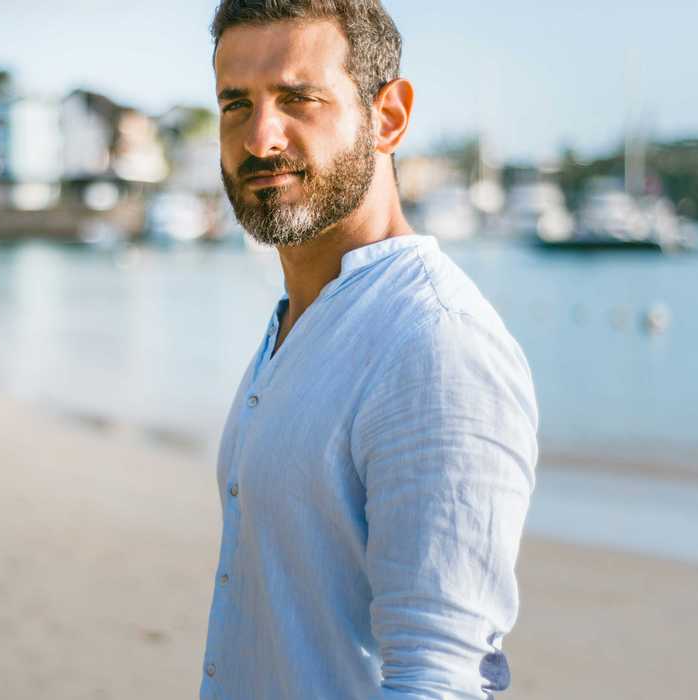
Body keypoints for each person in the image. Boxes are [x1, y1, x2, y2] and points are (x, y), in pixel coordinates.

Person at [200, 2, 538, 698]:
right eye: (236, 104)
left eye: (298, 99)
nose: (260, 137)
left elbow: (441, 678)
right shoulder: (301, 320)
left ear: (388, 117)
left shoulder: (434, 344)